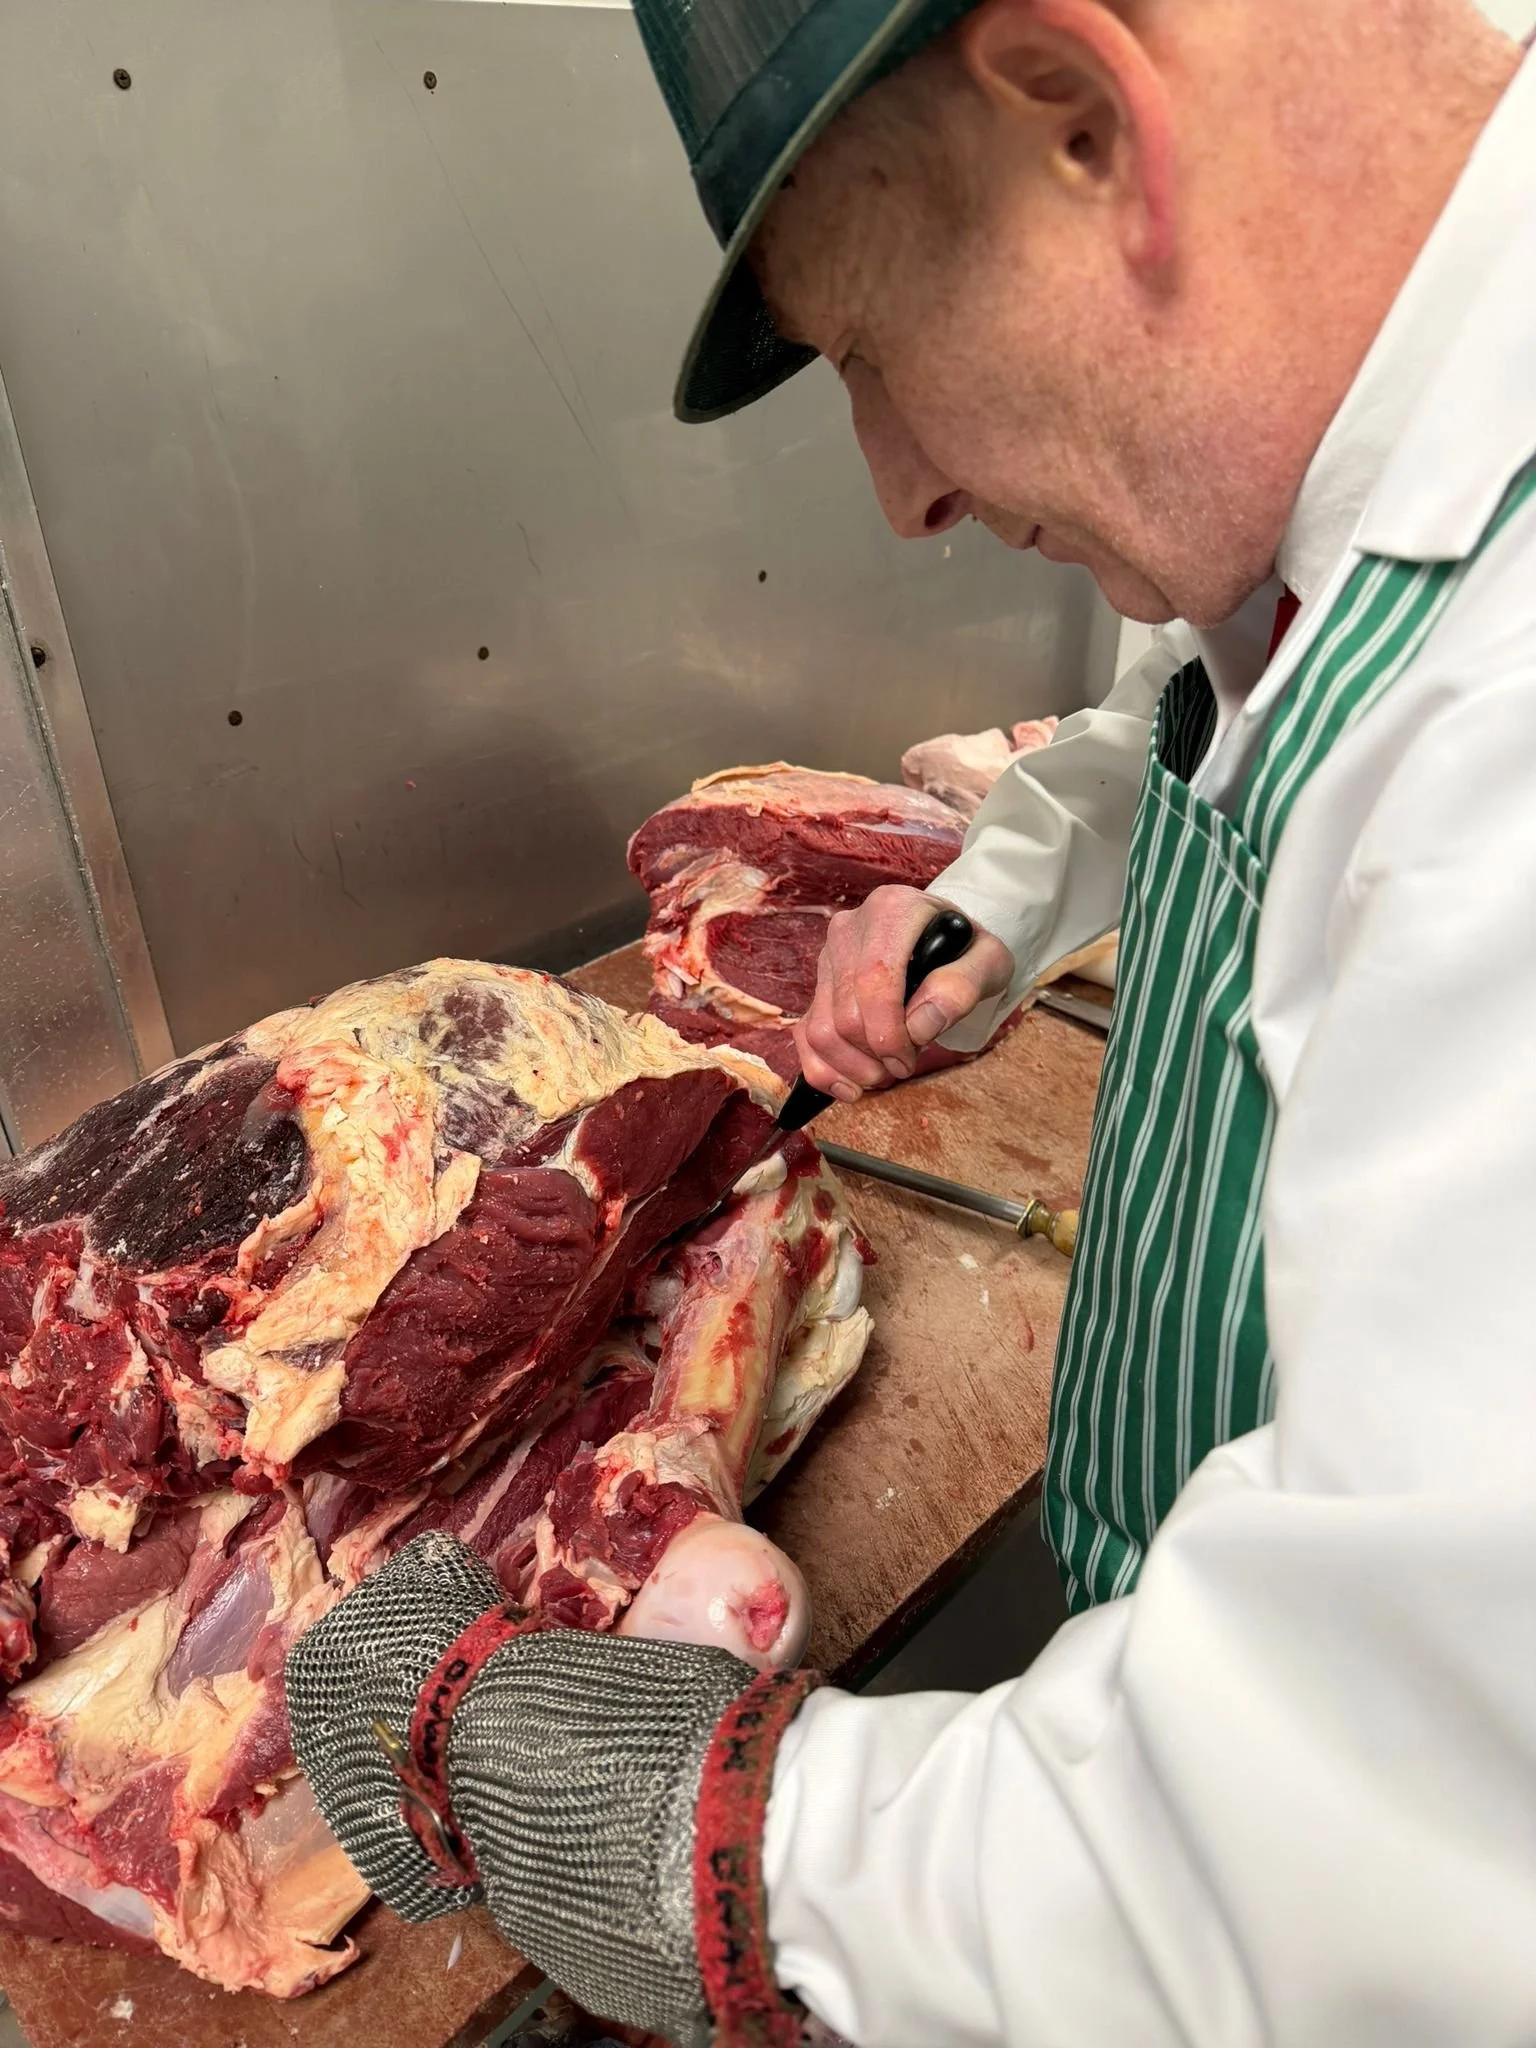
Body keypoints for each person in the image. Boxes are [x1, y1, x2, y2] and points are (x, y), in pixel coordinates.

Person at [284, 3, 1536, 2042]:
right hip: (1166, 1587)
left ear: (1082, 115)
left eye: (866, 344)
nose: (898, 494)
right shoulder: (1374, 472)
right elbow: (1204, 713)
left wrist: (663, 1823)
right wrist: (1003, 897)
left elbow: (1347, 1866)